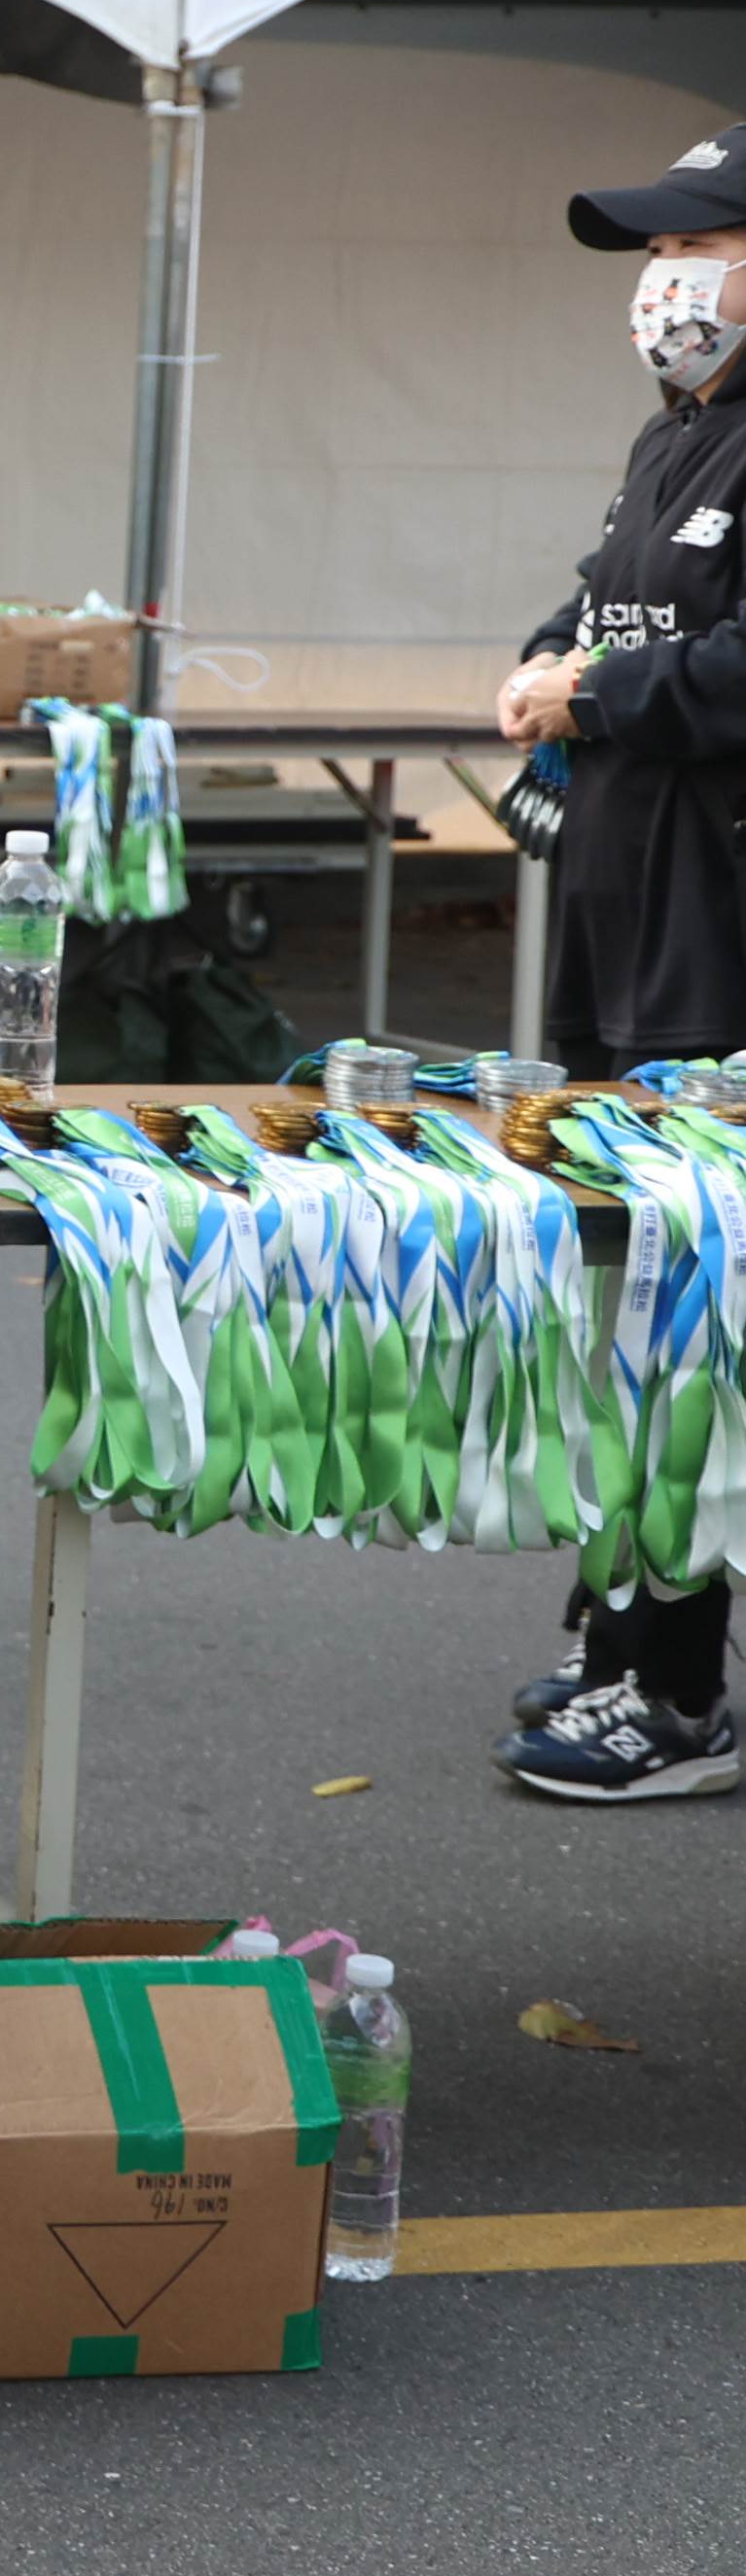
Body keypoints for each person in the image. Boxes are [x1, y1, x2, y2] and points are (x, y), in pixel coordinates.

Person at [485, 120, 746, 1803]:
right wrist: (542, 662)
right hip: (614, 920)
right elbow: (605, 605)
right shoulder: (674, 439)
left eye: (695, 247)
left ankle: (680, 1693)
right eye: (653, 257)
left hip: (714, 947)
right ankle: (615, 1632)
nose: (663, 285)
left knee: (692, 1311)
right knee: (623, 1303)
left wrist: (602, 694)